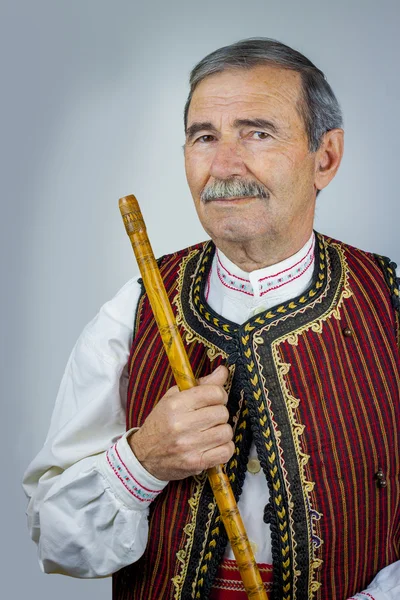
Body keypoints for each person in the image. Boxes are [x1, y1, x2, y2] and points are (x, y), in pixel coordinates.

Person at [23, 38, 400, 600]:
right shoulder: (132, 311)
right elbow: (56, 538)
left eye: (258, 132)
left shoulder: (389, 299)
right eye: (204, 137)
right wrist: (142, 459)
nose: (223, 165)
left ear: (326, 157)